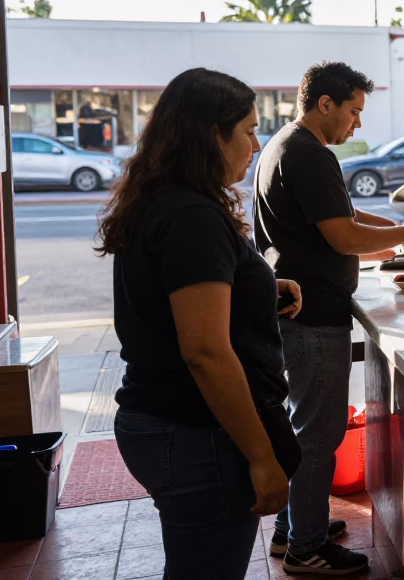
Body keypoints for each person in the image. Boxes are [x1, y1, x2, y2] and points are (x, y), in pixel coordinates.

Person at [97, 68, 303, 579]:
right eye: (250, 130)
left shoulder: (163, 201)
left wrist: (258, 288)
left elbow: (177, 297)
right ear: (214, 134)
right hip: (194, 433)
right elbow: (205, 352)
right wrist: (261, 458)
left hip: (166, 422)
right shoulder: (193, 217)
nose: (256, 143)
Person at [254, 61, 404, 575]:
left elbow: (345, 218)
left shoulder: (283, 144)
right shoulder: (309, 155)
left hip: (296, 306)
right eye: (353, 112)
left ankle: (294, 526)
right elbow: (345, 238)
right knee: (318, 431)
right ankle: (306, 549)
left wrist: (403, 226)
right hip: (311, 313)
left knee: (303, 425)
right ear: (325, 104)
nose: (357, 125)